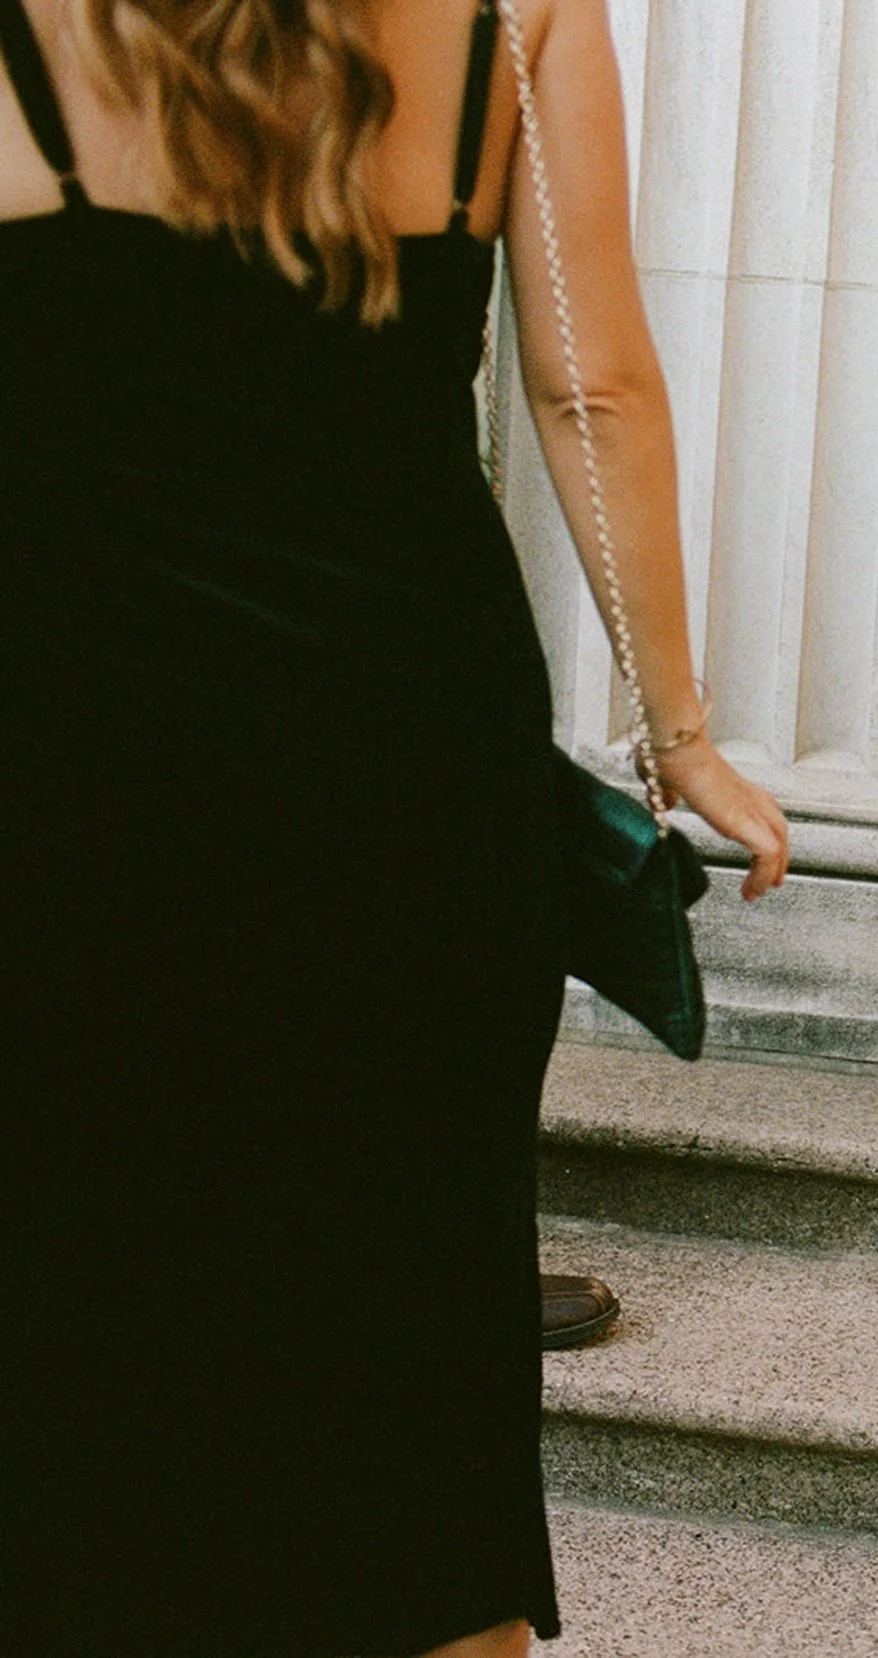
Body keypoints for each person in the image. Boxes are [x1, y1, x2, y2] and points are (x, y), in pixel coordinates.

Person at [0, 1, 788, 1652]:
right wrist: (681, 733)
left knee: (83, 1339)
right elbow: (595, 389)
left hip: (81, 781)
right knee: (408, 1366)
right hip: (409, 778)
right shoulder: (516, 23)